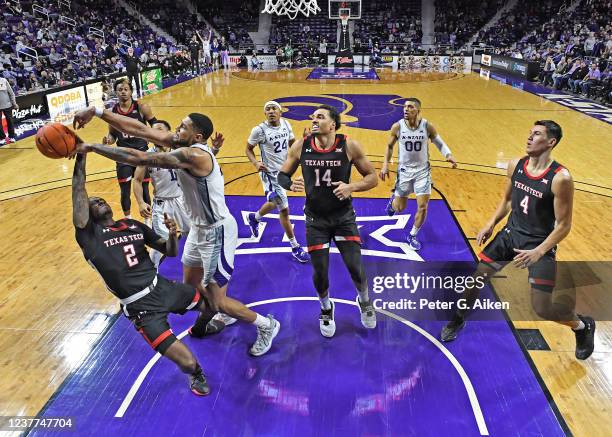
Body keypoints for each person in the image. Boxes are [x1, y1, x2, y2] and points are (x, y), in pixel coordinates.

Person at [73, 107, 280, 356]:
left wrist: (92, 148)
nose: (177, 130)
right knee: (191, 290)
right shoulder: (181, 144)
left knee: (217, 301)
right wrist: (97, 111)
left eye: (183, 127)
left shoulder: (195, 155)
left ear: (198, 137)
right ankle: (208, 323)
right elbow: (139, 129)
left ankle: (266, 325)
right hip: (198, 230)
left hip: (217, 231)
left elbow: (140, 158)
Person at [440, 121, 595, 361]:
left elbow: (564, 226)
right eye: (529, 133)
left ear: (551, 142)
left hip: (539, 244)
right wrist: (491, 223)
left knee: (542, 308)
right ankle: (458, 319)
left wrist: (539, 251)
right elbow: (508, 200)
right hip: (510, 234)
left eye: (537, 134)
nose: (529, 137)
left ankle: (582, 327)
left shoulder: (560, 178)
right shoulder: (516, 165)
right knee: (476, 279)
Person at [71, 153, 213, 396]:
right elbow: (78, 190)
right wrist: (81, 156)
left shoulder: (135, 226)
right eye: (93, 203)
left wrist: (171, 235)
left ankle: (199, 329)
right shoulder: (89, 237)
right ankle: (196, 373)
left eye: (102, 199)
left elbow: (169, 250)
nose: (98, 202)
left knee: (211, 307)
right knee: (188, 363)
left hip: (163, 287)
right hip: (141, 308)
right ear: (88, 215)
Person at [277, 105, 378, 337]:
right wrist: (290, 185)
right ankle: (326, 308)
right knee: (320, 272)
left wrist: (351, 186)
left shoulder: (349, 146)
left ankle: (364, 301)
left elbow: (372, 178)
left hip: (343, 217)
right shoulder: (301, 146)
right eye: (312, 116)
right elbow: (282, 175)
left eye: (320, 117)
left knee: (356, 268)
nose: (313, 119)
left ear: (332, 124)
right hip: (315, 219)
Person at [379, 98, 457, 250]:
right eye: (405, 107)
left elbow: (438, 142)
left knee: (423, 206)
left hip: (423, 171)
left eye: (410, 107)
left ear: (418, 110)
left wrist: (448, 155)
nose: (406, 109)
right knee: (399, 207)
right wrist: (385, 165)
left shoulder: (427, 126)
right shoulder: (397, 126)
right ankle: (393, 201)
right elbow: (389, 146)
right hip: (404, 171)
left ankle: (412, 235)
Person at [245, 101, 309, 263]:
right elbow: (248, 149)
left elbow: (291, 144)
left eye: (274, 109)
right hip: (270, 174)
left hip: (284, 172)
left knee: (274, 203)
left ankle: (255, 217)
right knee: (284, 209)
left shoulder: (287, 125)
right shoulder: (259, 130)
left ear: (281, 112)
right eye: (268, 109)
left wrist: (302, 145)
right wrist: (255, 163)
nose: (271, 111)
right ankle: (295, 246)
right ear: (265, 113)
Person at [133, 120, 191, 268]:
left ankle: (195, 265)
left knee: (192, 233)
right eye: (153, 131)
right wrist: (140, 202)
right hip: (162, 203)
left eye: (160, 131)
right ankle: (153, 273)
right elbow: (137, 180)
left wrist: (215, 149)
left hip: (182, 199)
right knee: (161, 243)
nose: (156, 135)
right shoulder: (147, 156)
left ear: (169, 133)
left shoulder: (179, 149)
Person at [103, 78, 155, 218]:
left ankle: (148, 221)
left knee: (144, 189)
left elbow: (155, 125)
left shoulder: (141, 107)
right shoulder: (113, 111)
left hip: (141, 154)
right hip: (123, 155)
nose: (123, 92)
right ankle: (128, 220)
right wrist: (109, 140)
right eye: (120, 90)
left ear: (131, 91)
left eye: (126, 89)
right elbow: (113, 134)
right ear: (116, 92)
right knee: (124, 191)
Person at [0, 74, 18, 145]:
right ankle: (2, 138)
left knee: (10, 121)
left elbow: (11, 93)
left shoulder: (3, 80)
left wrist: (14, 103)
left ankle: (12, 136)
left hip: (7, 105)